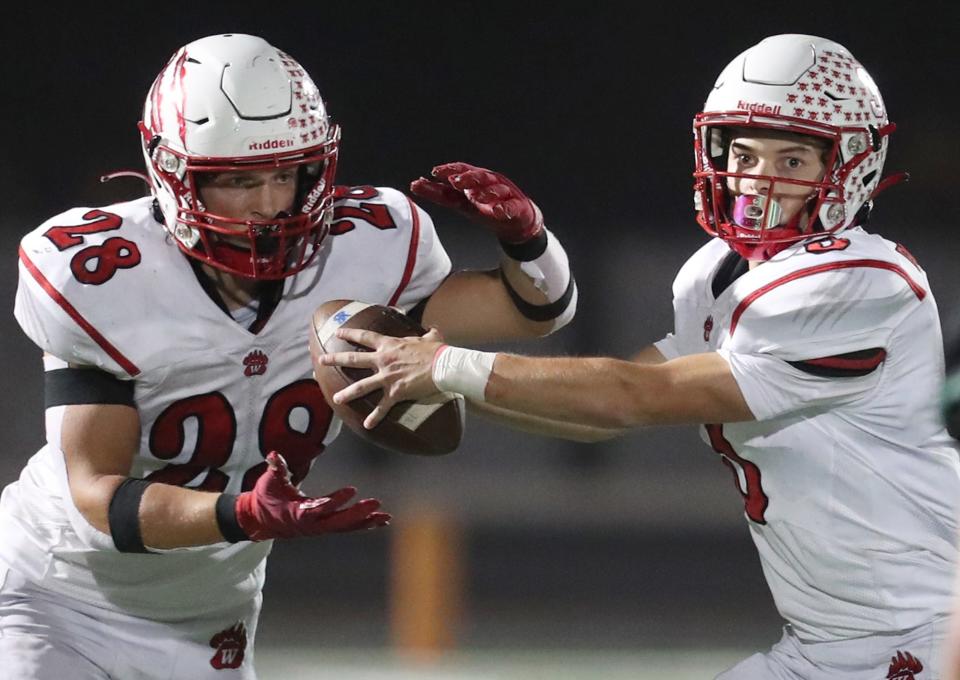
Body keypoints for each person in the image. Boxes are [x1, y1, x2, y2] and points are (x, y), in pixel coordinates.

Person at [321, 34, 960, 678]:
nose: (757, 179)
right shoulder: (717, 271)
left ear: (852, 167)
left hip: (922, 637)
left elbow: (635, 394)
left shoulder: (857, 282)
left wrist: (448, 366)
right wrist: (453, 385)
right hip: (828, 643)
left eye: (792, 160)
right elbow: (599, 417)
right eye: (742, 153)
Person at [0, 33, 577, 679]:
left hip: (212, 611)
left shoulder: (369, 246)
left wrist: (527, 240)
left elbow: (533, 312)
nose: (270, 203)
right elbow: (97, 498)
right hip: (54, 593)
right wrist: (243, 511)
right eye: (238, 180)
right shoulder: (99, 274)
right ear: (171, 171)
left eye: (286, 173)